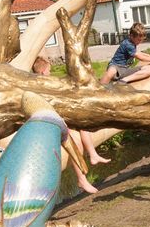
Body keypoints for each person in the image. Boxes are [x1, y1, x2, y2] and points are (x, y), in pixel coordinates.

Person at [32, 57, 99, 193]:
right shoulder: (40, 88)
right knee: (75, 142)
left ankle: (93, 154)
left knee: (82, 125)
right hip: (51, 124)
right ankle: (82, 180)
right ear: (43, 72)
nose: (50, 73)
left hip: (59, 120)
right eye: (49, 71)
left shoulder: (45, 85)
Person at [100, 22, 150, 86]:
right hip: (116, 66)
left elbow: (140, 53)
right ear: (131, 36)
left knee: (149, 69)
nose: (140, 42)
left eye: (142, 40)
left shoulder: (133, 44)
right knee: (111, 72)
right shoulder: (127, 44)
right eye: (139, 40)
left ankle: (123, 80)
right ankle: (99, 87)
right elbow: (140, 57)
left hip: (125, 70)